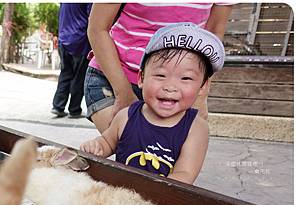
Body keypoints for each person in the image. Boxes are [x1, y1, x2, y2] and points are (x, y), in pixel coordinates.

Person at [80, 23, 225, 184]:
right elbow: (107, 142)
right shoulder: (126, 116)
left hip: (161, 203)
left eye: (186, 78)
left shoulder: (196, 129)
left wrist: (148, 191)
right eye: (160, 75)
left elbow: (185, 174)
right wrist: (96, 146)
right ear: (141, 78)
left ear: (202, 86)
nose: (170, 87)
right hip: (120, 199)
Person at [83, 3, 232, 133]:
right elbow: (97, 28)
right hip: (116, 78)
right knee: (136, 151)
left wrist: (200, 96)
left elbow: (212, 38)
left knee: (173, 158)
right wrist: (123, 94)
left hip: (176, 89)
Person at [51, 3, 92, 118]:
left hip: (63, 39)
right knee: (79, 77)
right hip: (79, 40)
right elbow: (93, 17)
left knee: (65, 73)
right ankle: (74, 109)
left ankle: (58, 106)